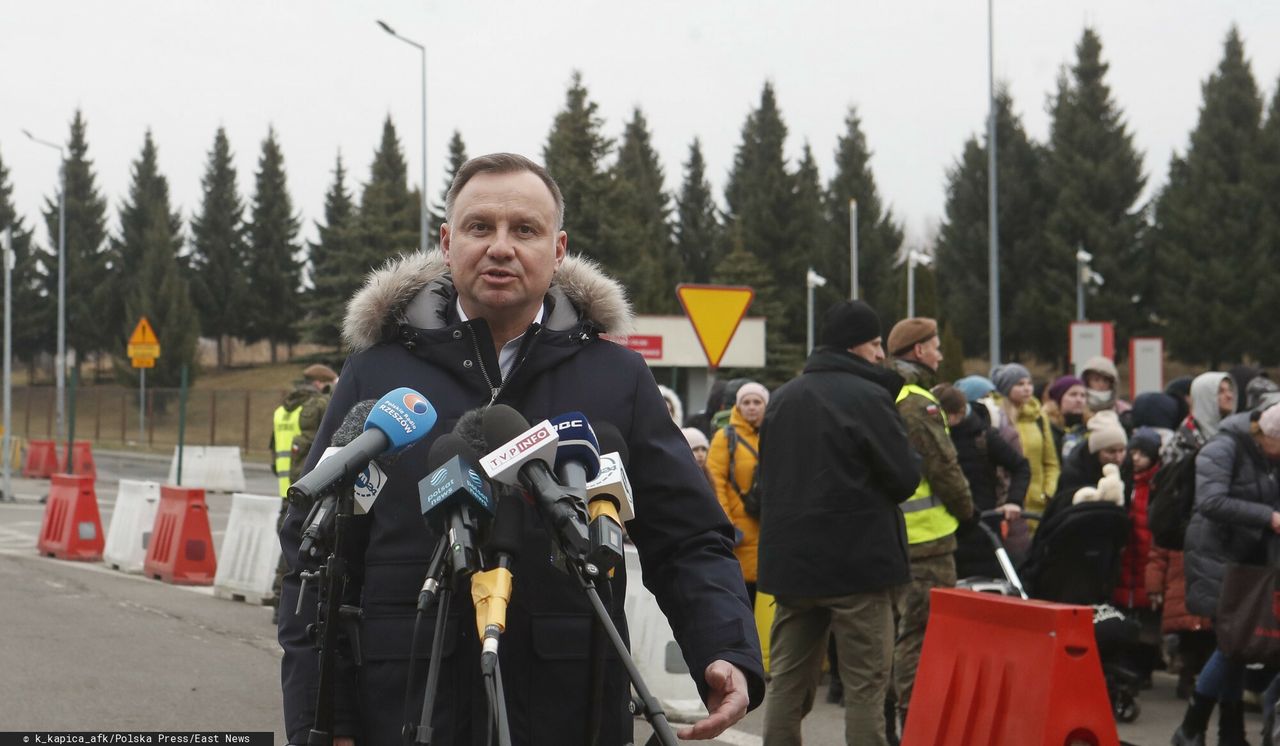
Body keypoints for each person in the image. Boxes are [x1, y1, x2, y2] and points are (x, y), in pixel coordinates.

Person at [278, 154, 764, 746]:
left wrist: (725, 648)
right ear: (447, 241)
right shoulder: (374, 375)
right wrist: (322, 722)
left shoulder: (617, 378)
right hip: (405, 709)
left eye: (524, 230)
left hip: (570, 711)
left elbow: (688, 539)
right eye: (480, 227)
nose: (501, 247)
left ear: (558, 250)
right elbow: (315, 558)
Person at [758, 299, 921, 746]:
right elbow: (904, 478)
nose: (880, 354)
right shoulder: (870, 397)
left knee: (788, 688)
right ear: (854, 347)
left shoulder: (784, 398)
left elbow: (763, 486)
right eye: (873, 344)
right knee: (866, 690)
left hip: (793, 571)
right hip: (858, 570)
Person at [1172, 405, 1280, 746]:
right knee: (1231, 645)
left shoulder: (1266, 456)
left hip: (1247, 561)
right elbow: (1211, 501)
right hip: (1216, 557)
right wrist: (1268, 517)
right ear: (1267, 435)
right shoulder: (1223, 447)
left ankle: (1228, 733)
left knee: (1238, 643)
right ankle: (1190, 729)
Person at [886, 317, 974, 731]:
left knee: (895, 632)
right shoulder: (917, 399)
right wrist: (967, 509)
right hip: (928, 541)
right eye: (936, 346)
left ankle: (893, 719)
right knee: (919, 636)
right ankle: (914, 723)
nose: (940, 354)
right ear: (919, 351)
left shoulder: (884, 390)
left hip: (894, 535)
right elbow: (943, 465)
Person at [935, 383, 1029, 579]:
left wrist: (1014, 500)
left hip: (983, 529)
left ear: (959, 413)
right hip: (944, 532)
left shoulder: (984, 437)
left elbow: (1020, 466)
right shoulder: (933, 435)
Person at [707, 381, 768, 606]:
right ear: (738, 407)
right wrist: (727, 525)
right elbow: (715, 483)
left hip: (766, 531)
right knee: (740, 599)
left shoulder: (773, 434)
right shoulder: (725, 438)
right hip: (739, 536)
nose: (752, 407)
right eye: (747, 402)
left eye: (757, 402)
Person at [991, 363, 1060, 515]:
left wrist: (1048, 492)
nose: (1027, 388)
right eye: (1020, 384)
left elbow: (1051, 461)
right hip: (1006, 503)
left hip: (1038, 503)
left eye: (1029, 383)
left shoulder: (1039, 417)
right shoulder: (995, 417)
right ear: (1006, 388)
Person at [270, 363, 339, 498]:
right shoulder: (319, 405)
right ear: (319, 384)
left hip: (285, 478)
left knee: (287, 516)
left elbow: (273, 445)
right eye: (329, 384)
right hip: (308, 479)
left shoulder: (282, 409)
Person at [1044, 375, 1088, 459]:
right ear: (1059, 399)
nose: (1079, 400)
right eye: (1073, 395)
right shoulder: (1048, 427)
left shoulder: (1090, 427)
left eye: (1083, 395)